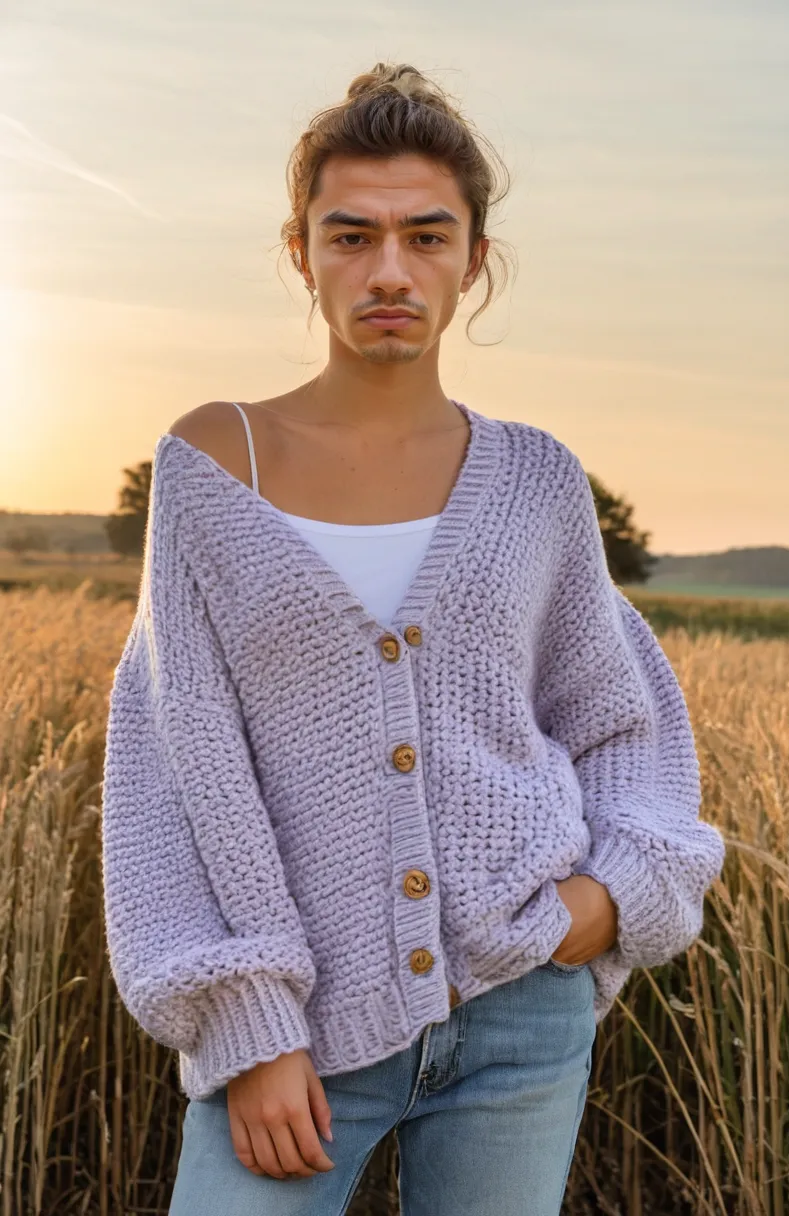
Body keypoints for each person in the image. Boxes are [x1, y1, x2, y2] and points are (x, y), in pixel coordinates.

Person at [100, 62, 726, 1215]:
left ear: (473, 259)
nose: (389, 270)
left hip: (521, 1020)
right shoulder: (211, 465)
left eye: (426, 236)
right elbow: (174, 764)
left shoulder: (536, 480)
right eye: (352, 235)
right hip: (297, 1035)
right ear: (302, 252)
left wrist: (605, 902)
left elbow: (616, 714)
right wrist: (249, 1026)